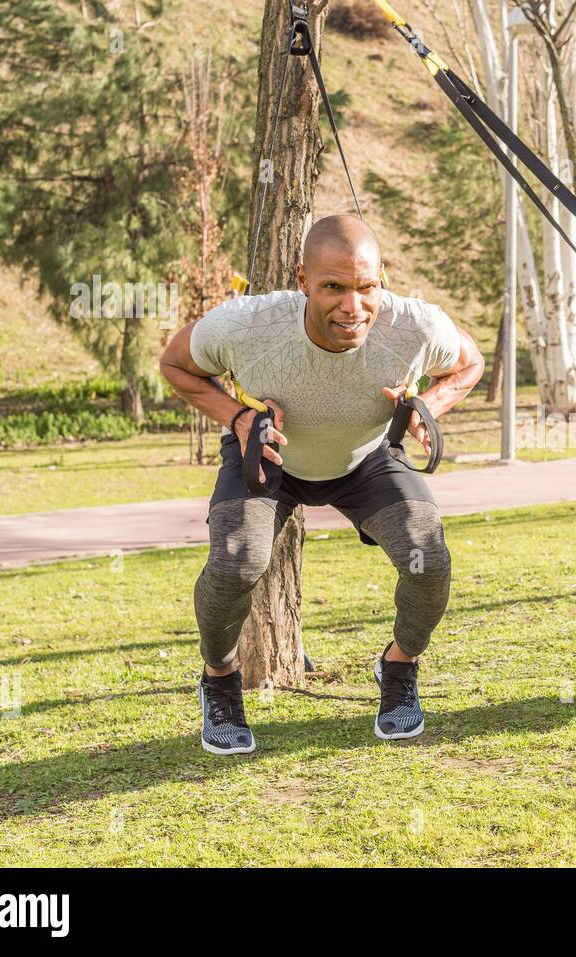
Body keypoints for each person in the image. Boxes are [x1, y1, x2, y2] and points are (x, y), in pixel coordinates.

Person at [160, 214, 484, 752]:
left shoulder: (416, 326)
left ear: (384, 278)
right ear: (302, 279)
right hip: (268, 456)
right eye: (333, 287)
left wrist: (430, 406)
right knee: (238, 561)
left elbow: (468, 364)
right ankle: (219, 680)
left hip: (368, 458)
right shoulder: (247, 326)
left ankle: (398, 668)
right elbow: (175, 363)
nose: (352, 307)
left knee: (429, 560)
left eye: (366, 287)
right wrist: (239, 419)